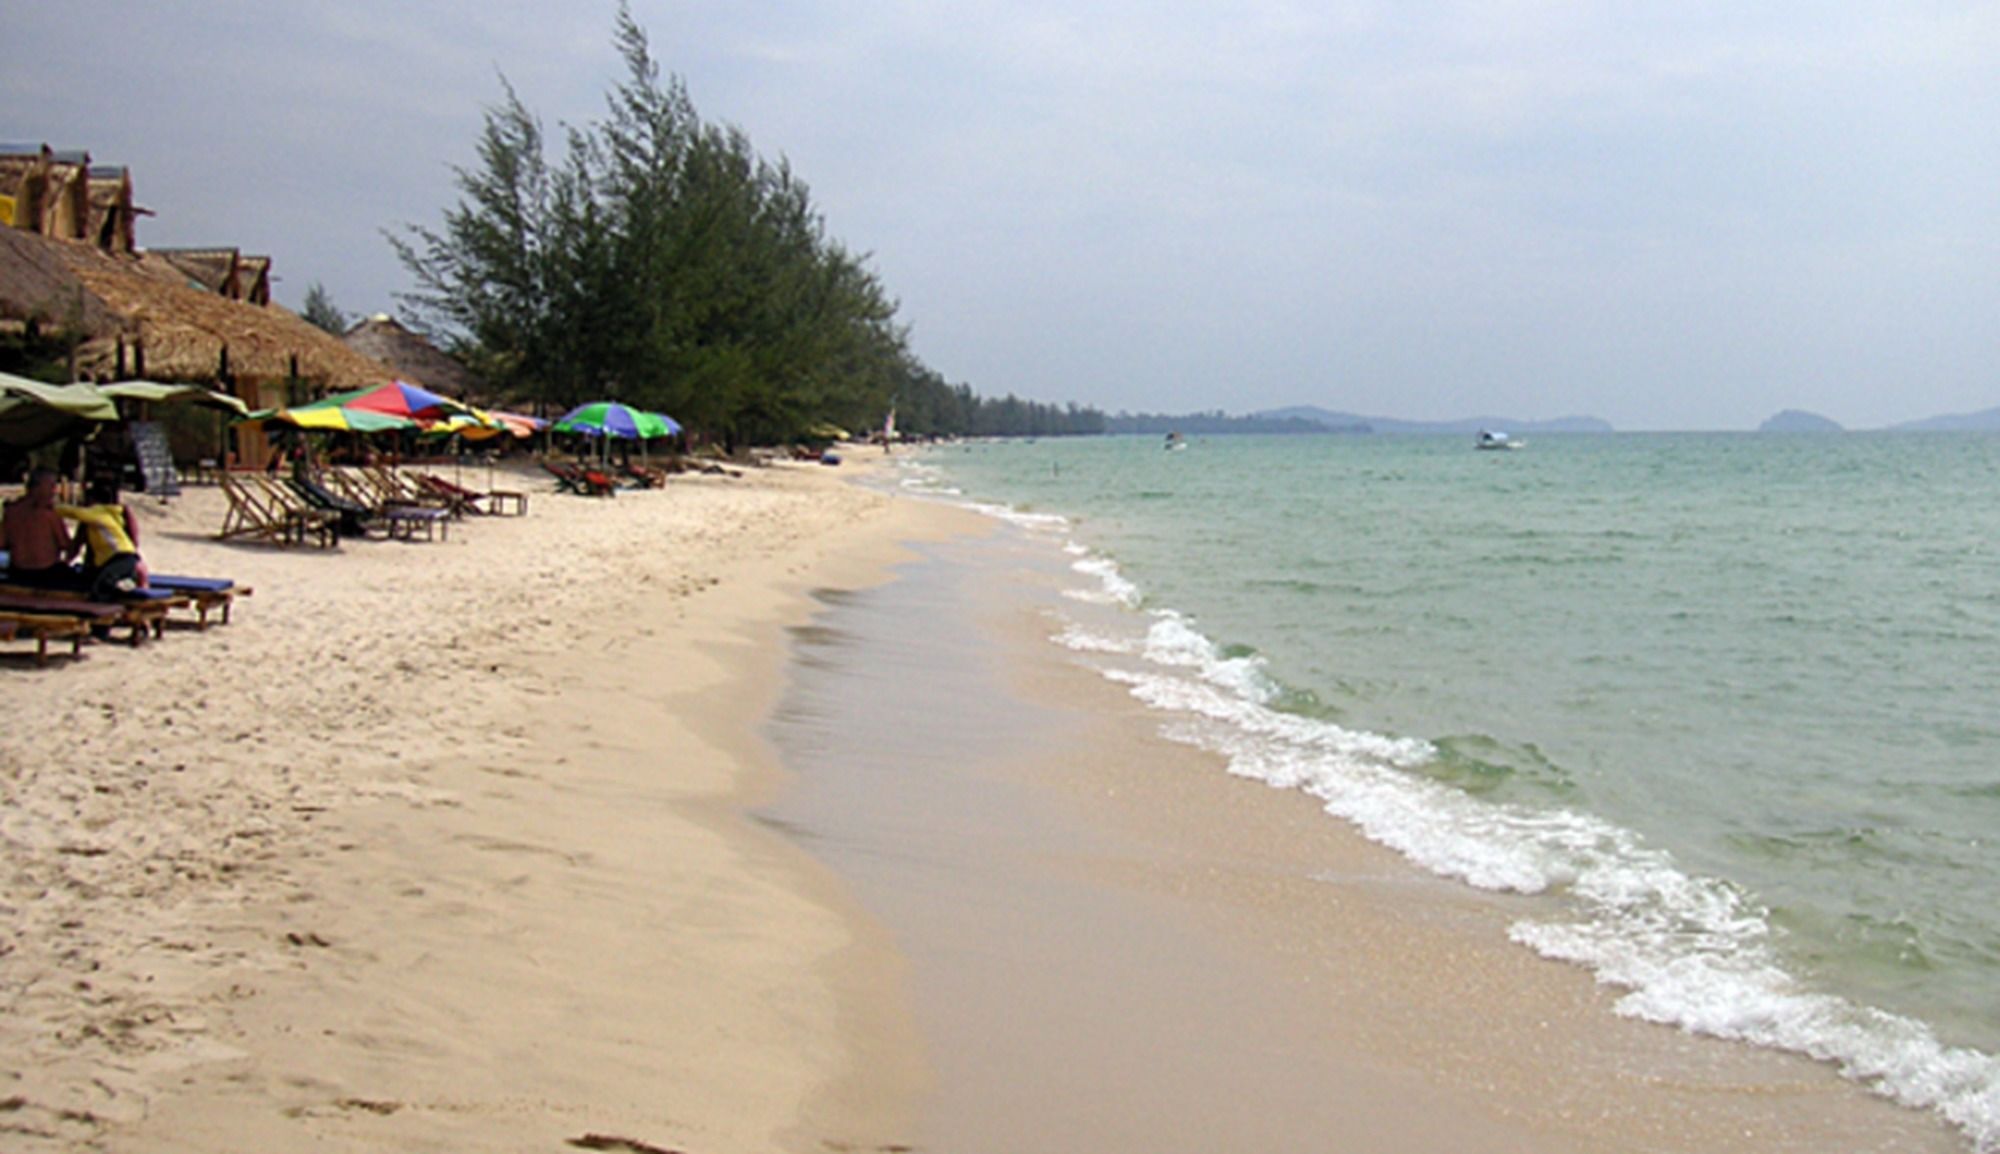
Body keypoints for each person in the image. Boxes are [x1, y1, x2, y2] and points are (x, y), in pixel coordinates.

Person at [58, 480, 149, 599]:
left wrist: (51, 507)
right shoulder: (113, 514)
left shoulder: (97, 514)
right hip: (114, 562)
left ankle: (125, 590)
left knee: (102, 588)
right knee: (103, 585)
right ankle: (126, 586)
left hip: (117, 559)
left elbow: (74, 513)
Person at [2, 467, 84, 589]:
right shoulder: (48, 514)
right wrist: (82, 535)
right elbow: (67, 547)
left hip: (18, 573)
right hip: (46, 575)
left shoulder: (11, 512)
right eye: (51, 486)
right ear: (37, 488)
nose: (54, 491)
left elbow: (2, 543)